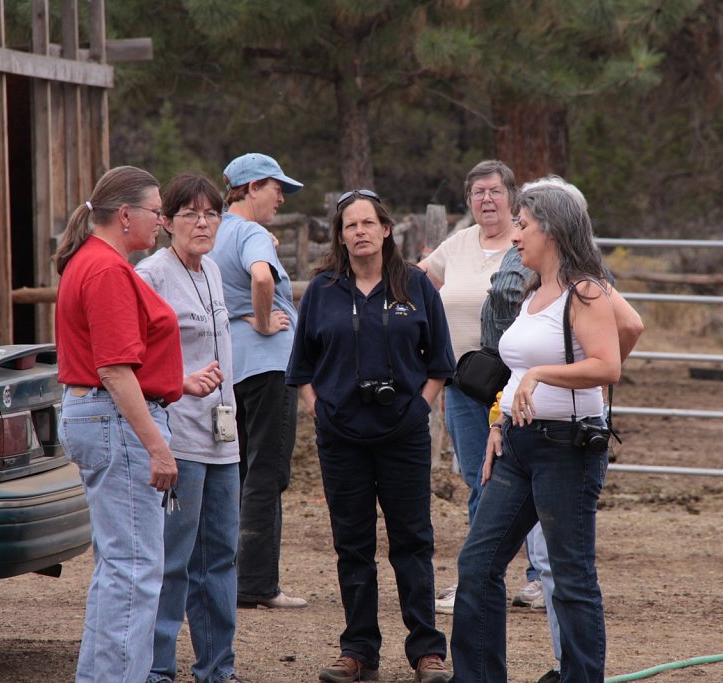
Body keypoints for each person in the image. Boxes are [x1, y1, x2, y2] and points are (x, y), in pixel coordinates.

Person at [55, 166, 222, 683]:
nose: (160, 220)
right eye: (156, 211)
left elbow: (117, 362)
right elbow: (112, 369)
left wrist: (175, 381)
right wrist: (158, 447)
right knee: (134, 571)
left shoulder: (95, 262)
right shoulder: (107, 270)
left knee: (118, 568)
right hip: (116, 421)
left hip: (102, 414)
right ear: (125, 215)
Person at [449, 183, 622, 682]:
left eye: (523, 225)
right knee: (478, 565)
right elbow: (518, 369)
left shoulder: (586, 291)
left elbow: (609, 364)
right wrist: (499, 420)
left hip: (566, 448)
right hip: (518, 445)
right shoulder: (531, 293)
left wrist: (544, 376)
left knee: (570, 576)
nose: (515, 235)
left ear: (553, 229)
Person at [287, 190, 454, 683]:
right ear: (340, 236)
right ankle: (358, 651)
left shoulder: (415, 285)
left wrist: (418, 408)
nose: (359, 231)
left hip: (403, 435)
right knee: (353, 545)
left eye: (367, 223)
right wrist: (319, 410)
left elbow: (440, 362)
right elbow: (301, 367)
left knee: (412, 541)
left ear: (385, 230)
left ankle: (427, 651)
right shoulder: (323, 290)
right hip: (342, 438)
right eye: (349, 225)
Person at [135, 174, 246, 683]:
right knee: (172, 560)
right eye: (189, 214)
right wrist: (179, 383)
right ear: (165, 222)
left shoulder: (214, 271)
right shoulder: (151, 276)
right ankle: (158, 669)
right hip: (177, 438)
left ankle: (217, 669)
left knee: (220, 559)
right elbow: (128, 360)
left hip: (223, 441)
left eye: (211, 214)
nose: (202, 223)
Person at [417, 160, 541, 613]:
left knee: (533, 475)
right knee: (479, 478)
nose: (486, 200)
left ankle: (539, 578)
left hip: (522, 381)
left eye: (495, 191)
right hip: (466, 383)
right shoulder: (459, 243)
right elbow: (416, 279)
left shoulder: (527, 241)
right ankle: (481, 578)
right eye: (477, 192)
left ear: (512, 197)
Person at [209, 153, 307, 609]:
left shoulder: (212, 234)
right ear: (250, 189)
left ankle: (230, 574)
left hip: (231, 368)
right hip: (268, 366)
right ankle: (258, 584)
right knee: (268, 473)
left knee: (241, 469)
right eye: (275, 188)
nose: (281, 198)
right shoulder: (250, 234)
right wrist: (265, 320)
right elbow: (262, 278)